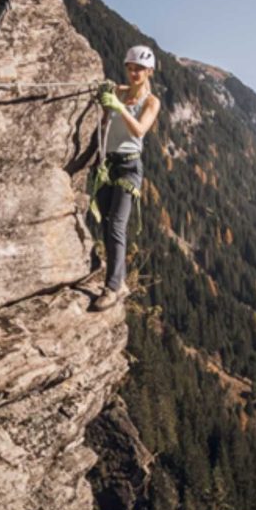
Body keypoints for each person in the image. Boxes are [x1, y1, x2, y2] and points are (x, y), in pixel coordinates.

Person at [89, 46, 161, 312]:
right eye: (130, 67)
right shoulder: (119, 91)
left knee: (117, 226)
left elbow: (140, 130)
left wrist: (120, 106)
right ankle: (116, 278)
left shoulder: (152, 102)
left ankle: (112, 288)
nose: (134, 73)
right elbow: (108, 116)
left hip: (129, 167)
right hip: (108, 163)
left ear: (149, 71)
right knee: (106, 224)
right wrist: (108, 97)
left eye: (139, 69)